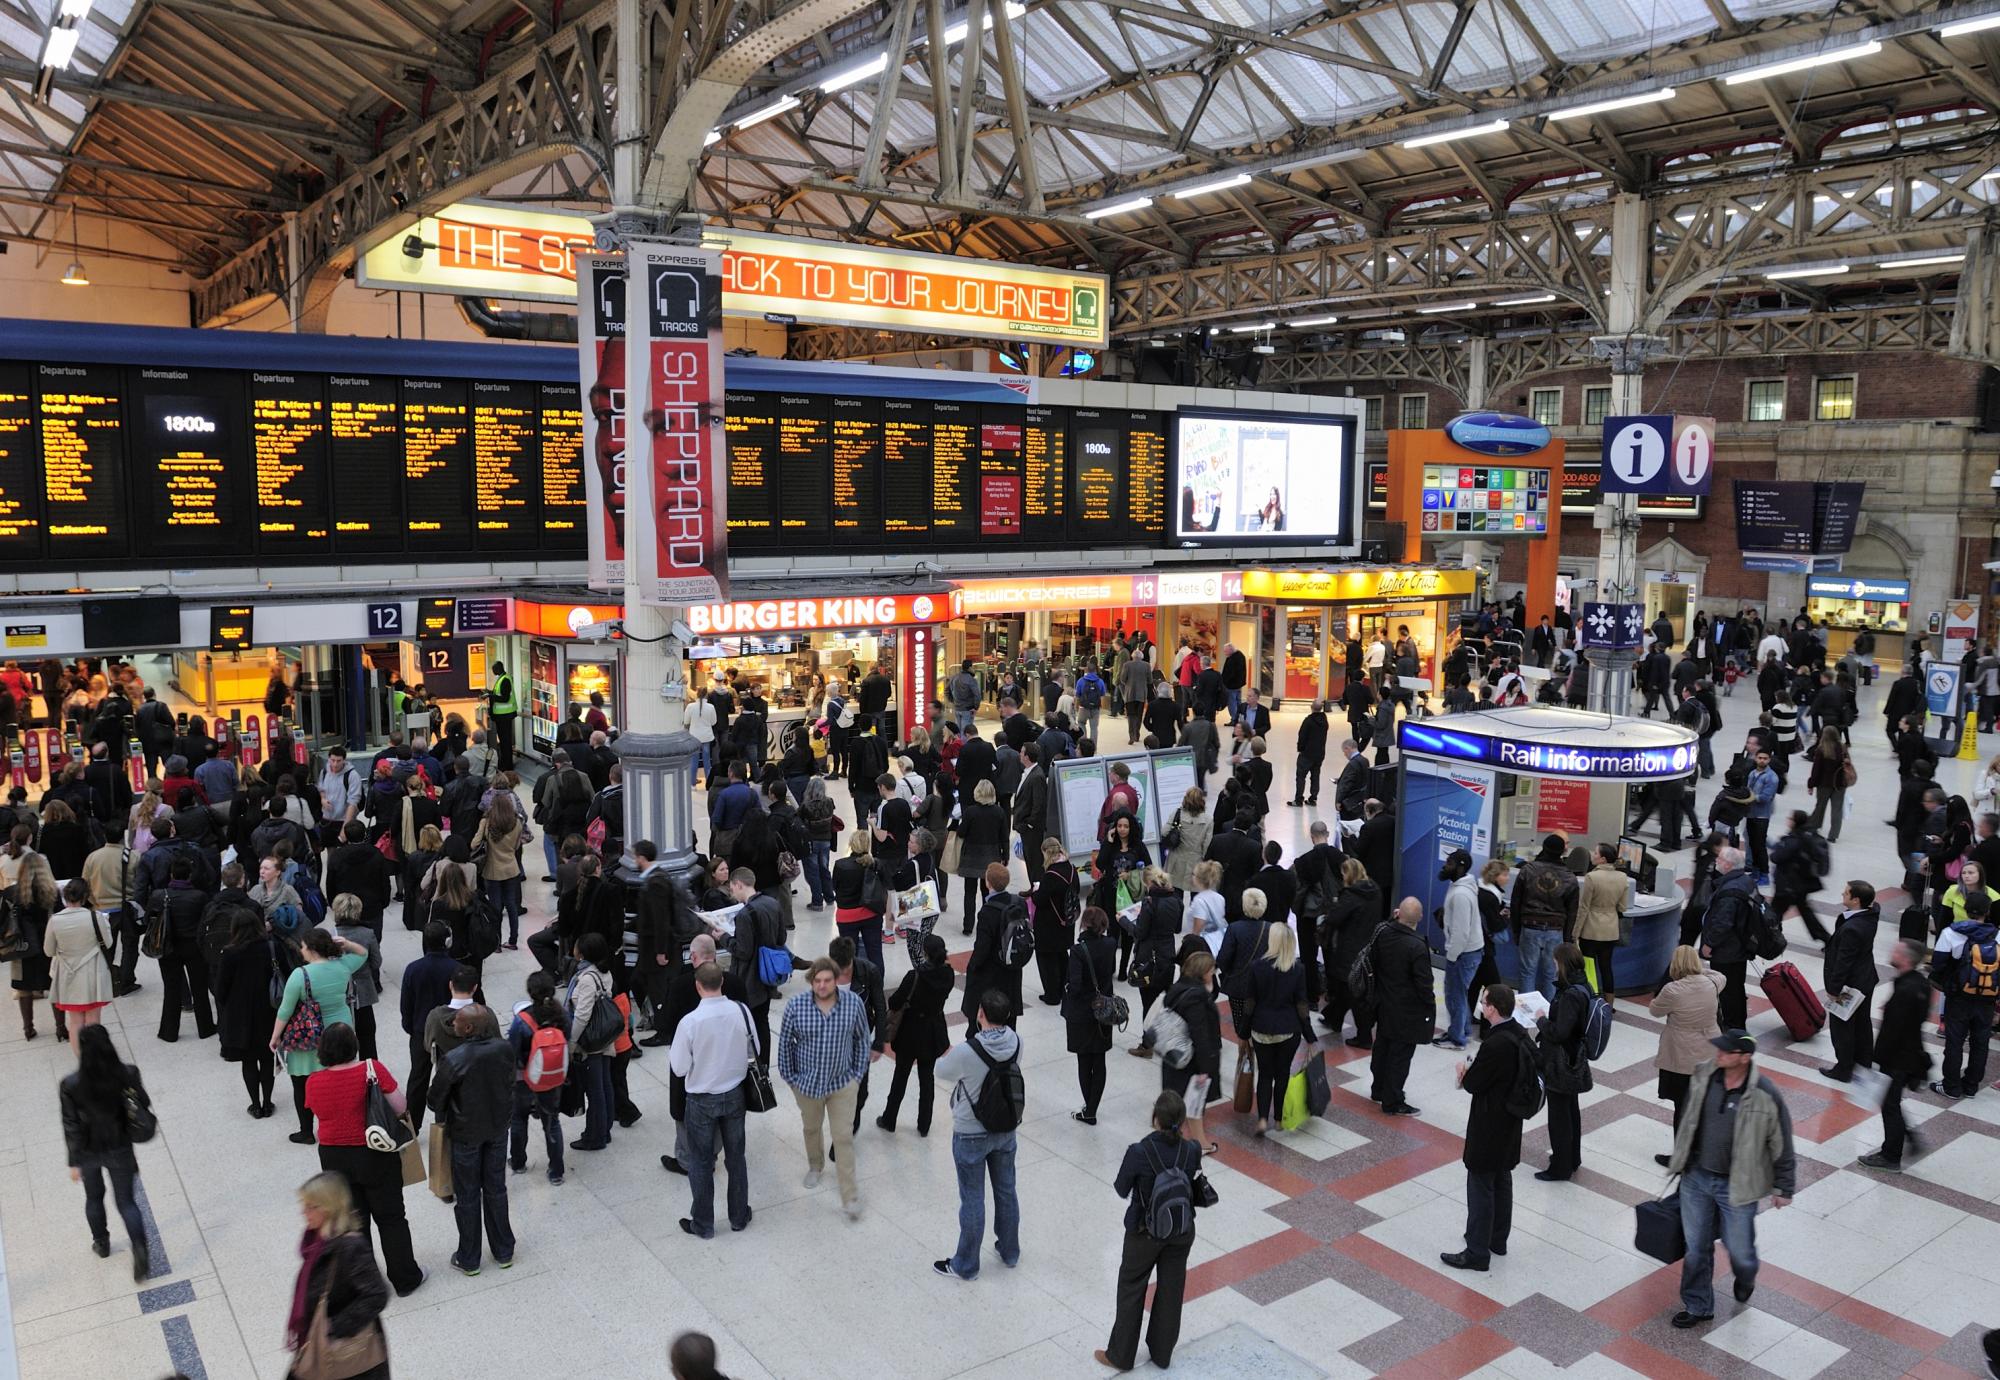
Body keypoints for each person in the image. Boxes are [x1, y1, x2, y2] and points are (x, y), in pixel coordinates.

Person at [1666, 1030, 1797, 1328]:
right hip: (1696, 1177)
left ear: (1745, 1057)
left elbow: (1782, 1141)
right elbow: (1687, 1119)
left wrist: (1784, 1187)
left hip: (1737, 1185)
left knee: (1740, 1251)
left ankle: (1745, 1276)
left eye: (1727, 1051)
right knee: (1696, 1247)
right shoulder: (1704, 1076)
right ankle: (1698, 1305)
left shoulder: (1764, 1093)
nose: (1719, 1054)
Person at [301, 1021, 426, 1298]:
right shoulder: (373, 1069)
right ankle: (405, 1279)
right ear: (353, 1046)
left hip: (334, 1157)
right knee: (392, 1217)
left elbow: (318, 1116)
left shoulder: (314, 1082)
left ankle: (366, 1284)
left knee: (353, 1223)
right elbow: (401, 1106)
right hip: (375, 1152)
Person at [1094, 1090, 1203, 1373]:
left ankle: (1121, 1355)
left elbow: (1121, 1188)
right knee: (1171, 1289)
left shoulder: (1139, 1152)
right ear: (1181, 1121)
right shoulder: (1191, 1150)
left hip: (1144, 1233)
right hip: (1181, 1231)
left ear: (1156, 1118)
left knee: (1132, 1288)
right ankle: (1162, 1353)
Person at [1438, 983, 1536, 1272]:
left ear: (1492, 1008)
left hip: (1489, 1121)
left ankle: (1477, 1251)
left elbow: (1473, 1083)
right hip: (1510, 1121)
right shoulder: (1518, 1033)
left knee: (1480, 1184)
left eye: (1483, 1002)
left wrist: (1463, 1072)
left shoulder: (1495, 1044)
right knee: (1502, 1179)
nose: (1481, 1005)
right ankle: (1497, 1239)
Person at [931, 987, 1023, 1280]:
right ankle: (1010, 1251)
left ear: (980, 1014)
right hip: (1006, 1128)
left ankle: (966, 1264)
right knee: (1006, 1192)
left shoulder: (968, 1050)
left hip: (971, 1132)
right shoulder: (1017, 1042)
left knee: (972, 1198)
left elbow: (941, 1070)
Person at [776, 955, 872, 1220]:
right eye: (817, 980)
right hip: (807, 1084)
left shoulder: (852, 1004)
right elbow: (785, 1043)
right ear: (811, 981)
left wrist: (857, 1075)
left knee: (843, 1137)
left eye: (827, 980)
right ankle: (815, 1166)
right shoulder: (797, 1006)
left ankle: (850, 1195)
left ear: (836, 979)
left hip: (842, 1083)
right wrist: (790, 1078)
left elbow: (862, 1039)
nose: (822, 985)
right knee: (811, 1128)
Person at [59, 1024, 153, 1279]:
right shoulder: (128, 1073)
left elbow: (71, 1125)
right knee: (126, 1202)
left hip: (89, 1151)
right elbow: (143, 1103)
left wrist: (74, 1161)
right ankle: (140, 1249)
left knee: (93, 1197)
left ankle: (101, 1242)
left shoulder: (70, 1084)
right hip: (120, 1146)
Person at [428, 1004, 517, 1274]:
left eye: (456, 1022)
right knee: (496, 1188)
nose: (452, 1024)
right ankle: (504, 1251)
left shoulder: (455, 1059)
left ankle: (469, 1257)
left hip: (466, 1135)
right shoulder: (505, 1049)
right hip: (498, 1129)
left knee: (467, 1195)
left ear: (468, 1028)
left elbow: (434, 1100)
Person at [284, 1172, 391, 1380]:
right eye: (304, 1205)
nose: (304, 1212)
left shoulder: (350, 1247)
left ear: (330, 1207)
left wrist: (333, 1327)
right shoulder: (316, 1242)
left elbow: (377, 1295)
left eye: (311, 1206)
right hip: (315, 1340)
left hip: (346, 1356)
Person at [271, 928, 370, 1145]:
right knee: (341, 1080)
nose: (302, 950)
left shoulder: (300, 975)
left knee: (301, 1084)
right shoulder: (342, 966)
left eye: (304, 946)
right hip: (341, 1028)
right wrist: (347, 944)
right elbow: (363, 953)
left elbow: (285, 1011)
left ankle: (306, 1131)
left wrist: (275, 1036)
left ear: (313, 950)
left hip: (308, 1034)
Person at [1859, 940, 1934, 1171]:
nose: (1892, 953)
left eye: (1897, 952)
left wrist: (1876, 1059)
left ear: (1907, 959)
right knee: (1891, 1101)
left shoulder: (1906, 990)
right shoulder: (1919, 984)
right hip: (1910, 1053)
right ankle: (1911, 1139)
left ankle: (1891, 1156)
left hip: (1897, 1058)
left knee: (1889, 1105)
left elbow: (1894, 1031)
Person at [1650, 946, 1723, 1166]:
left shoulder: (1673, 990)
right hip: (1708, 1053)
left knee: (1682, 1108)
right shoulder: (1712, 984)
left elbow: (1655, 1010)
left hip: (1681, 1057)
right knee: (1700, 1104)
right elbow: (1720, 975)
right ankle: (1701, 1152)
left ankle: (1681, 1158)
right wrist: (1699, 971)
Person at [1930, 890, 1999, 1100]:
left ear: (1966, 909)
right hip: (1987, 996)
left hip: (1959, 995)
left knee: (1955, 1040)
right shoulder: (1997, 935)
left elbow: (1938, 964)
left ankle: (1951, 1085)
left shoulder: (1951, 933)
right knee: (1980, 1041)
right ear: (1988, 912)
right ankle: (1971, 1085)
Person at [1368, 898, 1434, 1115]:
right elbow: (1424, 984)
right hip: (1407, 1011)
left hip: (1383, 1003)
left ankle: (1378, 1089)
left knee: (1382, 1048)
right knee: (1400, 1056)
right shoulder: (1417, 946)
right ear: (1420, 917)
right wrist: (1428, 1005)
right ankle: (1393, 1100)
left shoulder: (1384, 933)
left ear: (1398, 914)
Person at [214, 906, 280, 1118]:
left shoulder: (230, 953)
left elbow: (220, 989)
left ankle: (256, 1105)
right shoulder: (271, 947)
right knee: (267, 1059)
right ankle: (268, 1101)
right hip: (268, 1012)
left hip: (241, 1015)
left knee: (249, 1061)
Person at [1244, 922, 1309, 1136]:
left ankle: (1262, 1119)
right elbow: (1302, 1005)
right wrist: (1309, 1035)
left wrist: (1244, 1032)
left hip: (1261, 1029)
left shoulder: (1256, 967)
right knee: (1282, 1074)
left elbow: (1250, 1003)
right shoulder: (1297, 969)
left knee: (1264, 1075)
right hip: (1288, 1029)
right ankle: (1279, 1119)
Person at [1537, 943, 1595, 1181]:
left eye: (1555, 962)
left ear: (1562, 964)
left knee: (1559, 1116)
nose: (1553, 965)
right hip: (1572, 1058)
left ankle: (1560, 1167)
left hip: (1561, 1062)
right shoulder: (1583, 985)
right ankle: (1572, 1157)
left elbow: (1561, 1032)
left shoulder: (1570, 994)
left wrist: (1541, 1021)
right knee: (1571, 1110)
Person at [43, 878, 113, 1054]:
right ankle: (96, 1058)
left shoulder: (55, 920)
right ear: (85, 896)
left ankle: (81, 1060)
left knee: (75, 1022)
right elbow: (108, 943)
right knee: (93, 1020)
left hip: (68, 974)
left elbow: (48, 951)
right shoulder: (95, 917)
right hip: (93, 972)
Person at [1064, 905, 1119, 1125]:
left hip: (1081, 1014)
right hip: (1104, 1010)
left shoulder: (1078, 950)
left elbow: (1075, 985)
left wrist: (1067, 987)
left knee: (1084, 1061)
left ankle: (1089, 1108)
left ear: (1084, 924)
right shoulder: (1110, 944)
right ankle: (1092, 1107)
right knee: (1100, 1059)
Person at [1821, 880, 1881, 1082]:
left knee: (1842, 1027)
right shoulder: (1870, 915)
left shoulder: (1852, 929)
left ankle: (1844, 1068)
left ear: (1856, 900)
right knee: (1862, 1023)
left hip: (1850, 985)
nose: (1842, 894)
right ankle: (1864, 1063)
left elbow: (1843, 962)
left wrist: (1833, 989)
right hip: (1866, 979)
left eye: (1846, 893)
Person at [566, 933, 620, 1152]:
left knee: (594, 1089)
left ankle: (595, 1135)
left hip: (591, 1041)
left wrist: (571, 1042)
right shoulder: (603, 972)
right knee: (604, 1084)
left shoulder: (587, 978)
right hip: (604, 1038)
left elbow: (582, 1015)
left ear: (583, 953)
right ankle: (604, 1128)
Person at [1320, 857, 1379, 1047]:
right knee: (1348, 989)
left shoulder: (1351, 896)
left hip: (1349, 949)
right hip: (1367, 947)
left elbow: (1335, 918)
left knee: (1353, 993)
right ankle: (1333, 1017)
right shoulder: (1375, 891)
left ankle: (1364, 1037)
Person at [1513, 834, 1578, 1001]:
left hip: (1529, 927)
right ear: (1563, 851)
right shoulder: (1570, 877)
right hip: (1556, 930)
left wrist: (1516, 930)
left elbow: (1516, 902)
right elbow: (1572, 910)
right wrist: (1567, 937)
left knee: (1527, 972)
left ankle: (1525, 1015)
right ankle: (1550, 1016)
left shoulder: (1528, 870)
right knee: (1552, 974)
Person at [1435, 849, 1481, 1049]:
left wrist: (1452, 956)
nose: (1446, 865)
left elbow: (1461, 932)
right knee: (1460, 994)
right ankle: (1463, 1029)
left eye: (1450, 863)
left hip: (1463, 953)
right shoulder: (1460, 886)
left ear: (1460, 866)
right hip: (1468, 951)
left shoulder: (1461, 894)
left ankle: (1457, 1039)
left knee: (1454, 995)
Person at [1576, 842, 1628, 1005]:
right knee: (1606, 967)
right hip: (1610, 930)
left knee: (1589, 967)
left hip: (1591, 929)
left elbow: (1584, 907)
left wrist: (1575, 932)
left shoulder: (1592, 877)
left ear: (1603, 859)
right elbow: (1622, 906)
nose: (1592, 855)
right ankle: (1609, 1003)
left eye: (1596, 853)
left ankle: (1591, 1001)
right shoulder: (1622, 877)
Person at [1805, 726, 1850, 841]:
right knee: (1837, 809)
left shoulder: (1821, 750)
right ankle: (1833, 835)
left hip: (1824, 784)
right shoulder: (1842, 748)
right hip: (1840, 784)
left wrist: (1811, 784)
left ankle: (1814, 826)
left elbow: (1816, 770)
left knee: (1820, 806)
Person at [486, 660, 519, 771]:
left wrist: (490, 696)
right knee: (504, 741)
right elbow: (499, 694)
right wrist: (489, 692)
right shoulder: (502, 678)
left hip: (505, 716)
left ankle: (507, 765)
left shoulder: (505, 680)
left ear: (498, 668)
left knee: (505, 741)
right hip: (502, 716)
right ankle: (505, 763)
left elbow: (505, 698)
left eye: (494, 669)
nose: (492, 671)